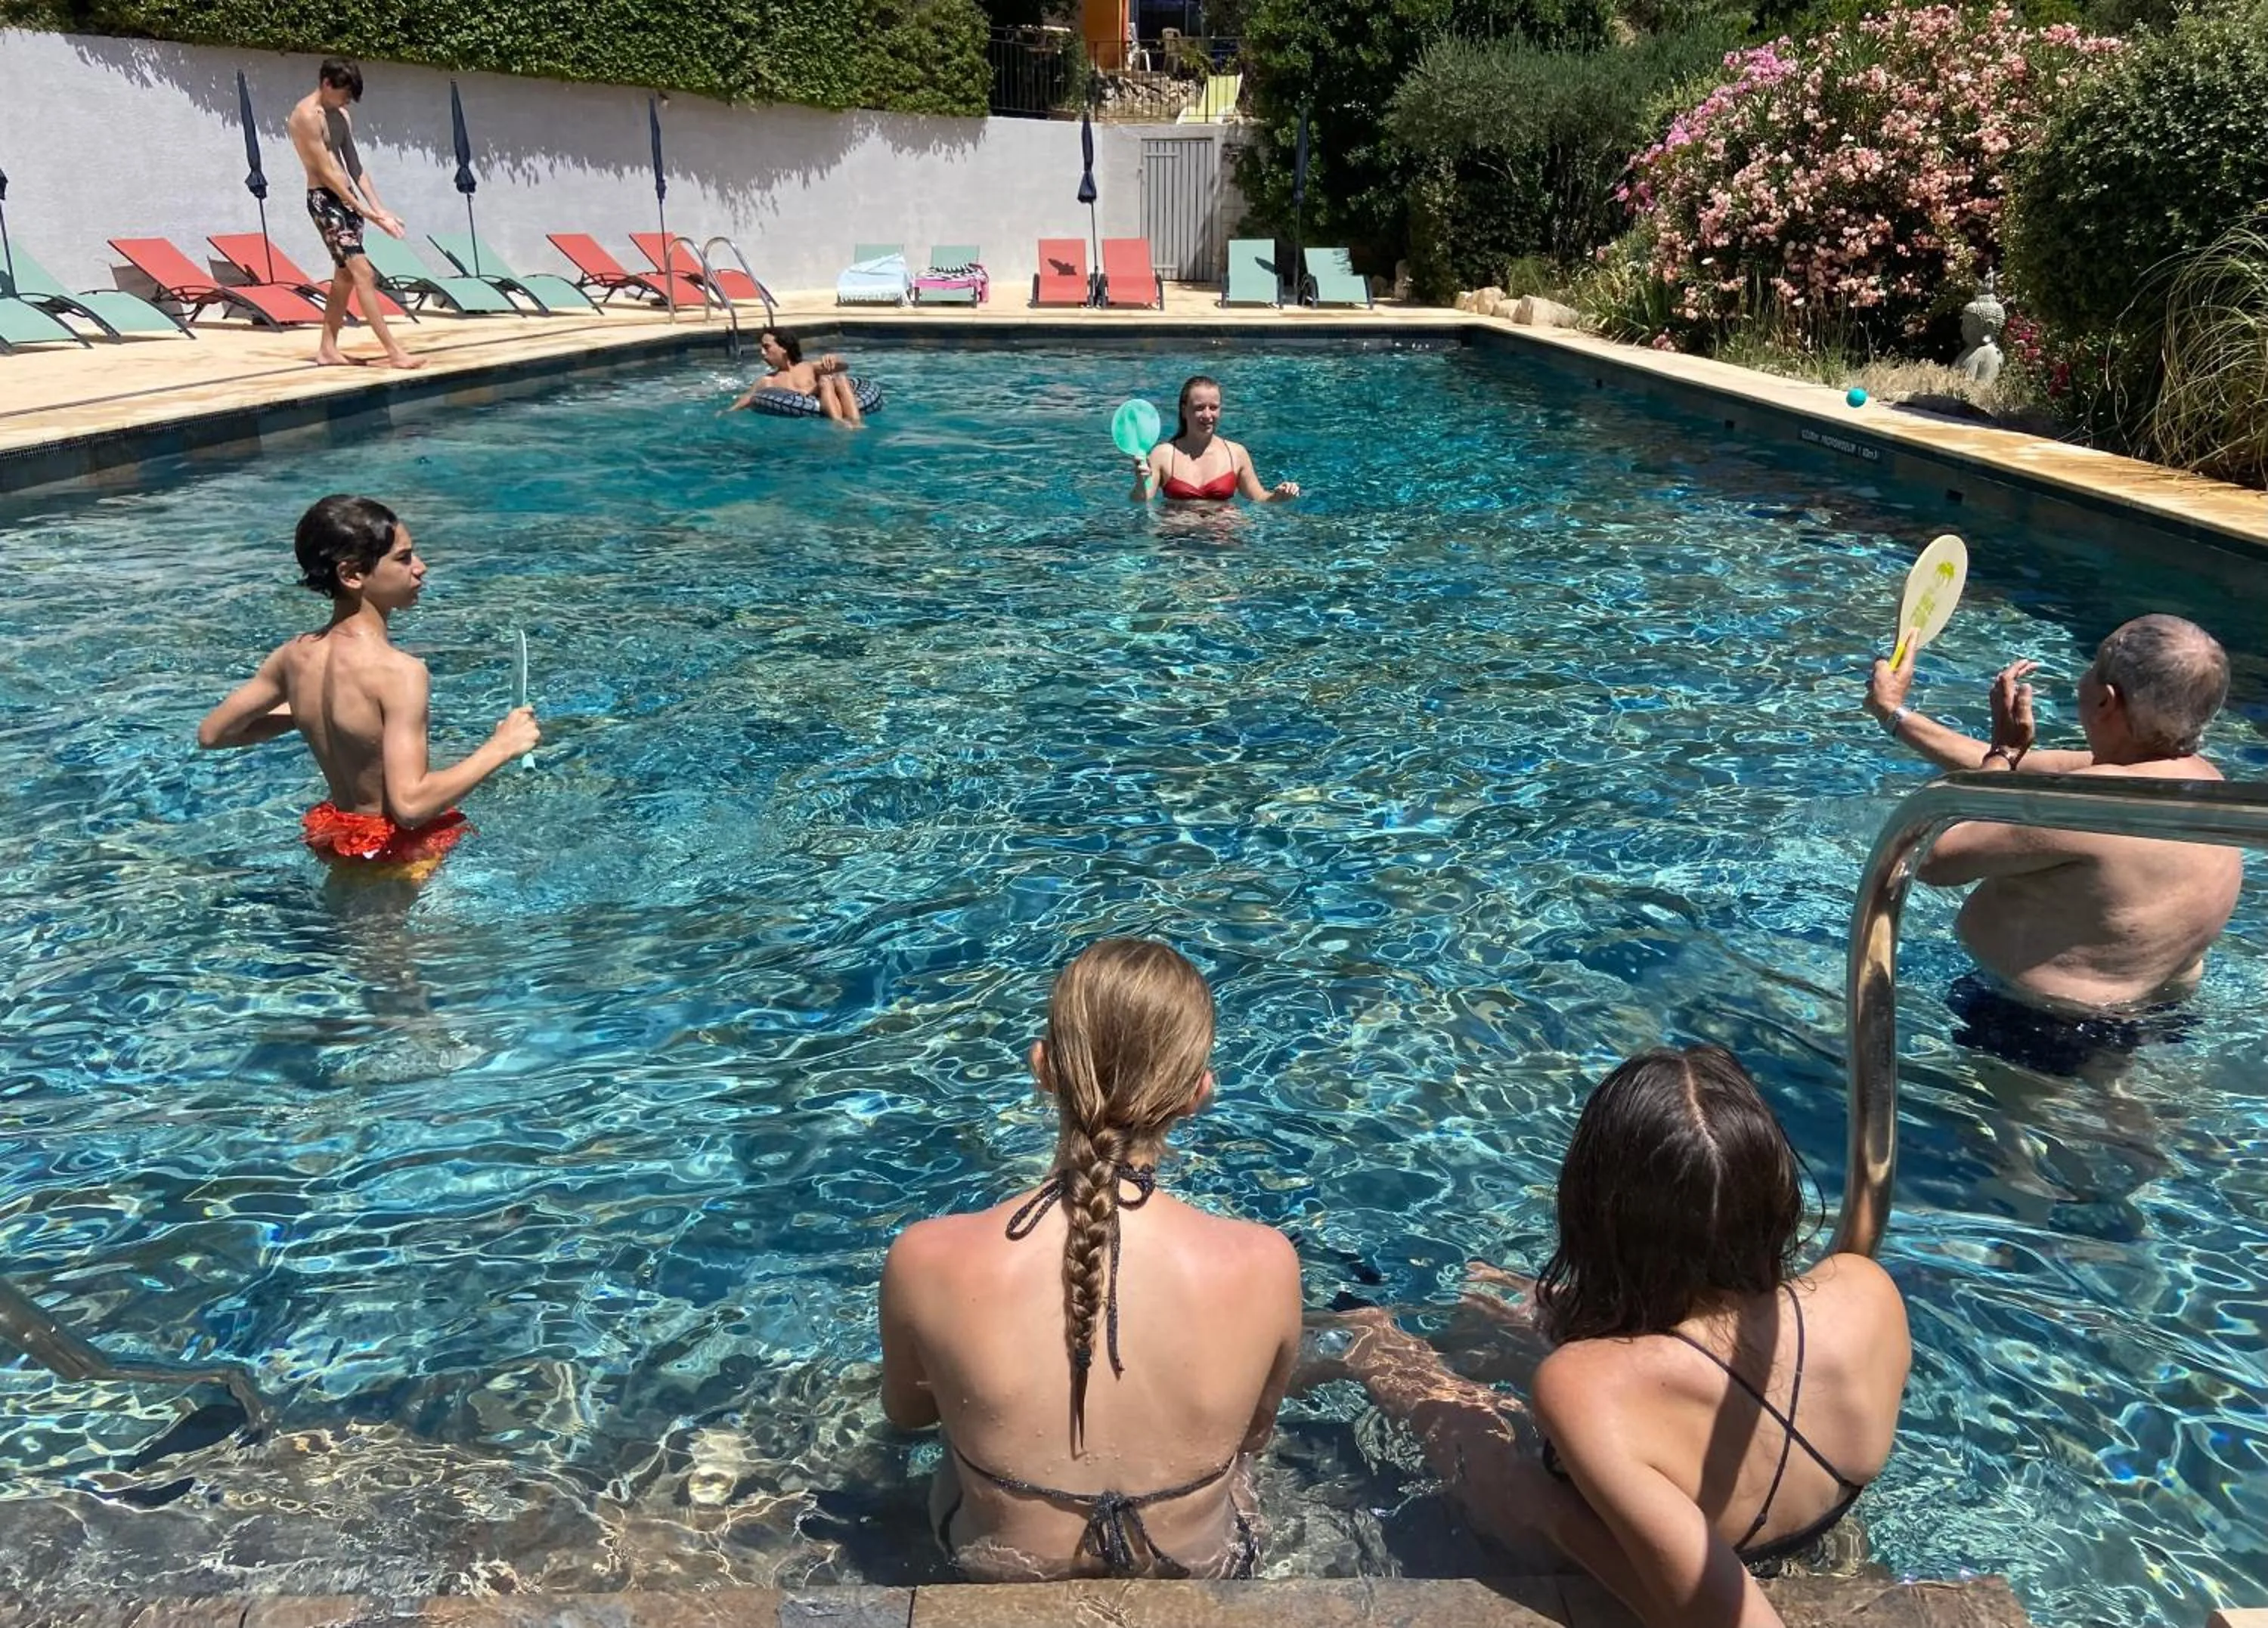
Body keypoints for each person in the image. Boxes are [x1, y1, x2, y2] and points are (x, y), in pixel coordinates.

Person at [1303, 1047, 1911, 1628]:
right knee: (1549, 1326)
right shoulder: (1867, 1292)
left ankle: (1370, 1346)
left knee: (1440, 1402)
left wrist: (1552, 1515)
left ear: (1597, 1212)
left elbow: (1723, 1616)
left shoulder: (1579, 1384)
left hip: (1609, 1562)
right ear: (1775, 1192)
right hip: (1800, 1526)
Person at [878, 938, 1303, 1580]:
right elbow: (1255, 1437)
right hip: (1200, 1567)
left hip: (999, 1572)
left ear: (1043, 1067)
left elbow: (908, 1415)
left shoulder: (926, 1257)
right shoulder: (1266, 1263)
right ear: (1198, 1092)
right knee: (1241, 1470)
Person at [1866, 614, 2241, 1069]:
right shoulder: (2199, 782)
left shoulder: (2088, 805)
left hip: (2041, 1023)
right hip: (2146, 1011)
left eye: (2092, 666)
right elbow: (2013, 769)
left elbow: (1933, 858)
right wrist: (1894, 713)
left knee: (1990, 1119)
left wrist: (2003, 755)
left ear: (2105, 700)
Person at [197, 494, 539, 882]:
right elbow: (410, 806)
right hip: (399, 853)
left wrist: (311, 713)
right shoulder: (399, 673)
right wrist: (502, 747)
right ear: (352, 574)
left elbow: (214, 735)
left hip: (341, 839)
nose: (421, 568)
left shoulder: (294, 656)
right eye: (403, 558)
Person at [287, 59, 423, 371]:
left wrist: (379, 209)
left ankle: (327, 350)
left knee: (345, 277)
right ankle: (395, 353)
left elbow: (355, 166)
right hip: (326, 202)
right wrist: (364, 211)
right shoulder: (305, 116)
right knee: (364, 273)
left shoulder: (340, 116)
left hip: (348, 203)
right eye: (345, 93)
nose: (348, 101)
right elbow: (326, 172)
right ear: (327, 84)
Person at [1130, 376, 1299, 503]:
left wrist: (1279, 496)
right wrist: (1140, 483)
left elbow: (1260, 498)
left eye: (1213, 407)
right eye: (1199, 408)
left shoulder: (1236, 453)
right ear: (1184, 410)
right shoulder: (1163, 455)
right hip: (1177, 537)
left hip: (1224, 536)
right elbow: (1142, 503)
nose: (1207, 415)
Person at [728, 328, 864, 426]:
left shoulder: (807, 366)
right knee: (825, 380)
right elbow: (746, 399)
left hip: (818, 400)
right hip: (802, 417)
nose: (762, 353)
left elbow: (842, 367)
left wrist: (834, 359)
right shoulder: (768, 381)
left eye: (767, 347)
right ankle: (838, 422)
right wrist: (727, 412)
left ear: (784, 348)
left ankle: (856, 422)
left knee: (836, 378)